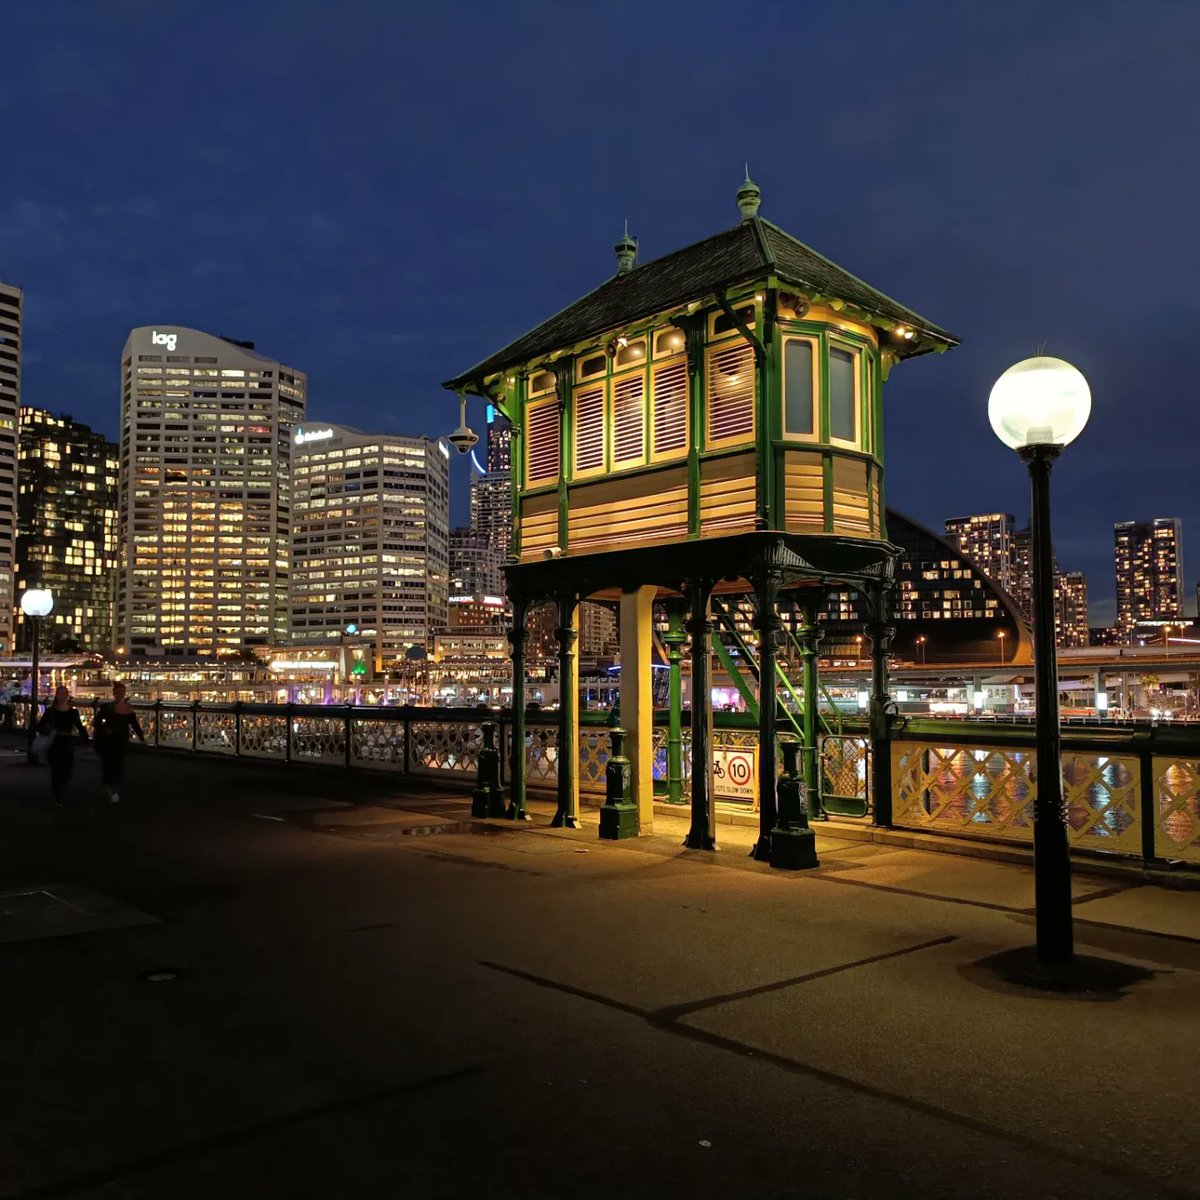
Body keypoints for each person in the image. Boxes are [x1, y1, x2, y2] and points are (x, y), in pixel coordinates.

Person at [93, 682, 145, 803]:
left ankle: (113, 788)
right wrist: (104, 730)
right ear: (114, 693)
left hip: (121, 740)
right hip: (108, 740)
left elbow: (134, 723)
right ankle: (110, 788)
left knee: (118, 765)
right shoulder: (107, 707)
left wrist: (141, 736)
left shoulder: (128, 708)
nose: (120, 694)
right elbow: (97, 721)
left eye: (122, 692)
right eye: (118, 692)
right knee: (109, 765)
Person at [36, 686, 89, 806]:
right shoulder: (51, 711)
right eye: (61, 693)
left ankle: (60, 789)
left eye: (65, 693)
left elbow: (80, 727)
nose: (63, 695)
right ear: (57, 695)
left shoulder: (73, 712)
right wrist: (49, 731)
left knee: (67, 769)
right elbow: (40, 726)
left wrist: (85, 739)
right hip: (55, 742)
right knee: (56, 769)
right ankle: (58, 796)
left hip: (66, 742)